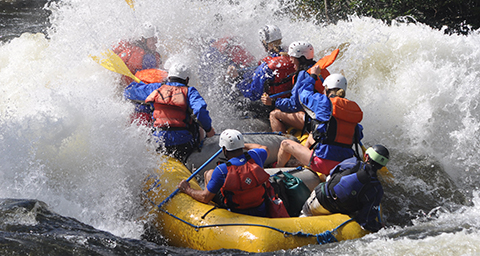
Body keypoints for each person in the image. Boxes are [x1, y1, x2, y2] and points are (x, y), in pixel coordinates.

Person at [124, 62, 215, 162]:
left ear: (169, 77)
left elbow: (128, 92)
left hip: (159, 141)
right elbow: (199, 111)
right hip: (183, 143)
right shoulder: (190, 91)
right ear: (187, 79)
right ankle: (196, 157)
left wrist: (142, 86)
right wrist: (209, 129)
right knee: (198, 125)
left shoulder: (156, 88)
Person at [275, 73, 364, 176]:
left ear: (327, 89)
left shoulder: (324, 102)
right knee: (313, 134)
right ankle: (301, 160)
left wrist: (312, 76)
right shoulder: (352, 113)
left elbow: (303, 95)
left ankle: (277, 169)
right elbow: (359, 136)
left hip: (322, 163)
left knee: (285, 144)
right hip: (344, 164)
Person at [178, 129, 271, 217]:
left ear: (224, 150)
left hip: (236, 212)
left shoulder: (222, 170)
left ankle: (212, 210)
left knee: (209, 173)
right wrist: (241, 145)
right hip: (260, 209)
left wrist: (187, 189)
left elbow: (204, 197)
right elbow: (264, 147)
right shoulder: (256, 156)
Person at [300, 145, 390, 232]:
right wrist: (379, 226)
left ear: (366, 156)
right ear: (382, 166)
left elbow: (331, 174)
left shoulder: (353, 162)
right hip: (340, 212)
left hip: (320, 200)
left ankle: (301, 217)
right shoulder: (377, 189)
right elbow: (366, 221)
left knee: (305, 213)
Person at [261, 41, 331, 133]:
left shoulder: (304, 75)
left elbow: (294, 105)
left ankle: (284, 143)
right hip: (327, 116)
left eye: (292, 57)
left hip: (315, 119)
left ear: (300, 58)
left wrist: (273, 102)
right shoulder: (319, 69)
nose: (290, 60)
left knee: (274, 114)